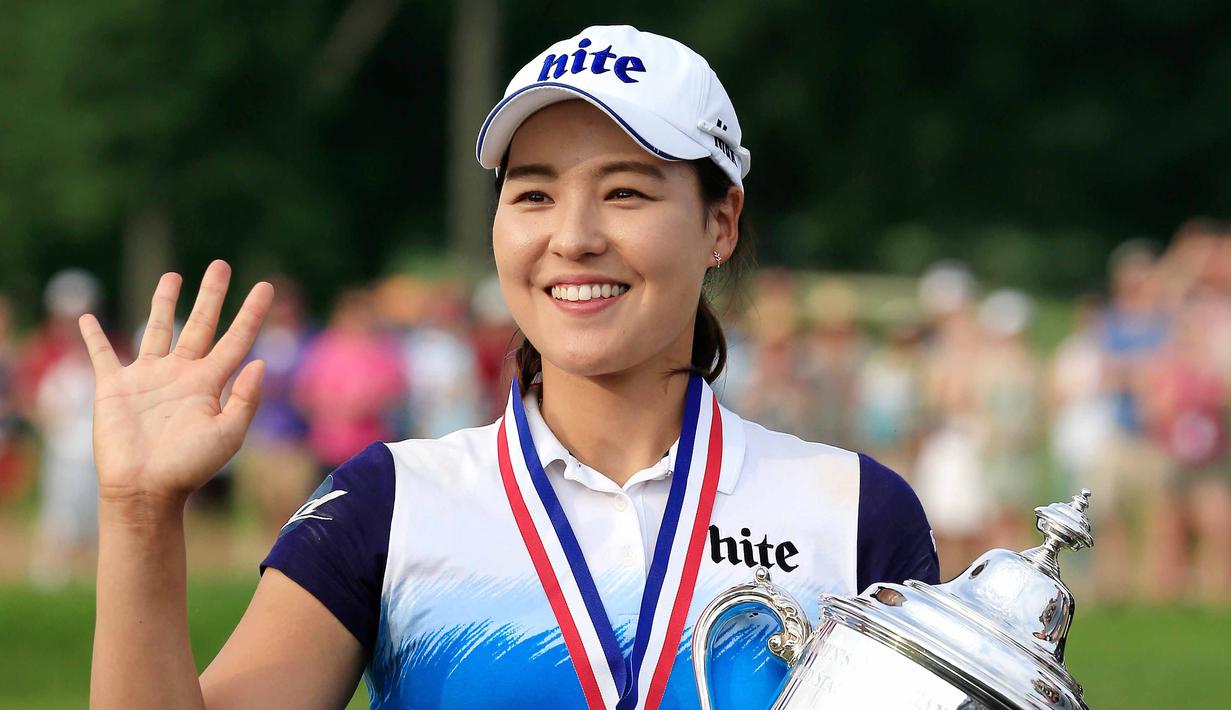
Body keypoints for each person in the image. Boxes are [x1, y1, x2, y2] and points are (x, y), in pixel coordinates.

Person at [82, 26, 938, 710]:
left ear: (721, 222)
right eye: (532, 193)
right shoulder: (388, 504)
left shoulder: (857, 515)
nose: (572, 237)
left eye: (626, 191)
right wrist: (138, 517)